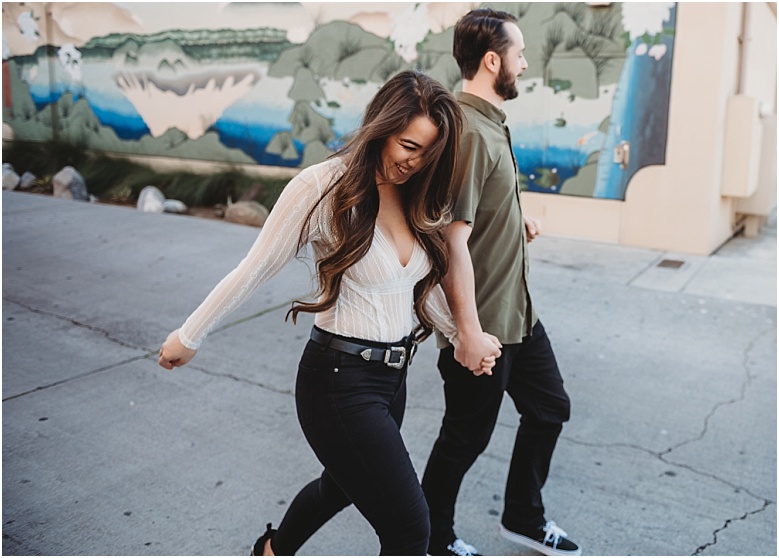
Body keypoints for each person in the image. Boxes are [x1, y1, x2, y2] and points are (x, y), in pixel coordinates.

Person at [158, 70, 497, 556]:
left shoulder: (417, 195)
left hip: (390, 380)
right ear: (381, 127)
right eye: (407, 145)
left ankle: (272, 551)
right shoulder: (322, 186)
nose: (414, 162)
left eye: (428, 152)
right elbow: (253, 269)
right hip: (337, 382)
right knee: (410, 529)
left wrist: (466, 335)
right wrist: (189, 336)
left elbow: (409, 290)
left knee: (340, 486)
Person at [421, 9, 581, 557]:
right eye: (518, 53)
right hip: (484, 325)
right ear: (493, 61)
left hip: (520, 315)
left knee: (549, 407)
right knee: (464, 439)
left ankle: (522, 517)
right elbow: (450, 239)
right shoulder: (468, 132)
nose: (526, 62)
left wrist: (517, 220)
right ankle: (430, 539)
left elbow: (480, 211)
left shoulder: (491, 124)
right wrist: (465, 333)